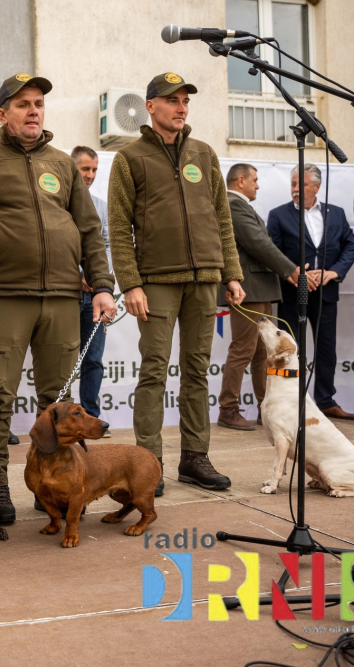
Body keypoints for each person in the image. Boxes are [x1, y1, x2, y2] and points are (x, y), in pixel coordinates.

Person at [0, 74, 115, 525]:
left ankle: (54, 486)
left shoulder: (62, 164)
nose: (33, 110)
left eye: (38, 103)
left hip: (60, 297)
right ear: (2, 115)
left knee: (60, 402)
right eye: (22, 104)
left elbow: (90, 229)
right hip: (5, 296)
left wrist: (103, 285)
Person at [107, 72, 244, 497]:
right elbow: (118, 226)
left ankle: (194, 458)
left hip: (204, 279)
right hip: (157, 282)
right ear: (150, 106)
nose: (181, 107)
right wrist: (130, 283)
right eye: (171, 100)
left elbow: (222, 217)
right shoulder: (130, 158)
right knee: (153, 372)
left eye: (185, 100)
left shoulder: (204, 154)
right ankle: (149, 464)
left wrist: (231, 273)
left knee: (197, 371)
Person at [267, 163, 354, 420]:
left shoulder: (337, 214)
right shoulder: (278, 215)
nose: (295, 189)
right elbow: (273, 251)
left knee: (326, 348)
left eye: (301, 184)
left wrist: (333, 272)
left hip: (326, 290)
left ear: (316, 187)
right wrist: (296, 272)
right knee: (290, 348)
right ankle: (292, 401)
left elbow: (349, 247)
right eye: (293, 184)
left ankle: (326, 400)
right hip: (293, 290)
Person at [216, 163, 302, 430]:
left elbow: (260, 244)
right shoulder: (233, 204)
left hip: (259, 287)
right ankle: (228, 409)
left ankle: (266, 408)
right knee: (243, 350)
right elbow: (258, 243)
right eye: (254, 180)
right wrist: (290, 269)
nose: (258, 185)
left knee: (261, 352)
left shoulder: (241, 205)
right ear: (240, 180)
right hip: (248, 288)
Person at [71, 145, 113, 437]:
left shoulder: (100, 205)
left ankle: (91, 417)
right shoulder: (60, 202)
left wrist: (98, 280)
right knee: (59, 359)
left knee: (94, 358)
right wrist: (78, 275)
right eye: (85, 169)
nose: (90, 175)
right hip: (67, 293)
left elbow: (107, 245)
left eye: (94, 169)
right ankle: (55, 418)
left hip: (95, 295)